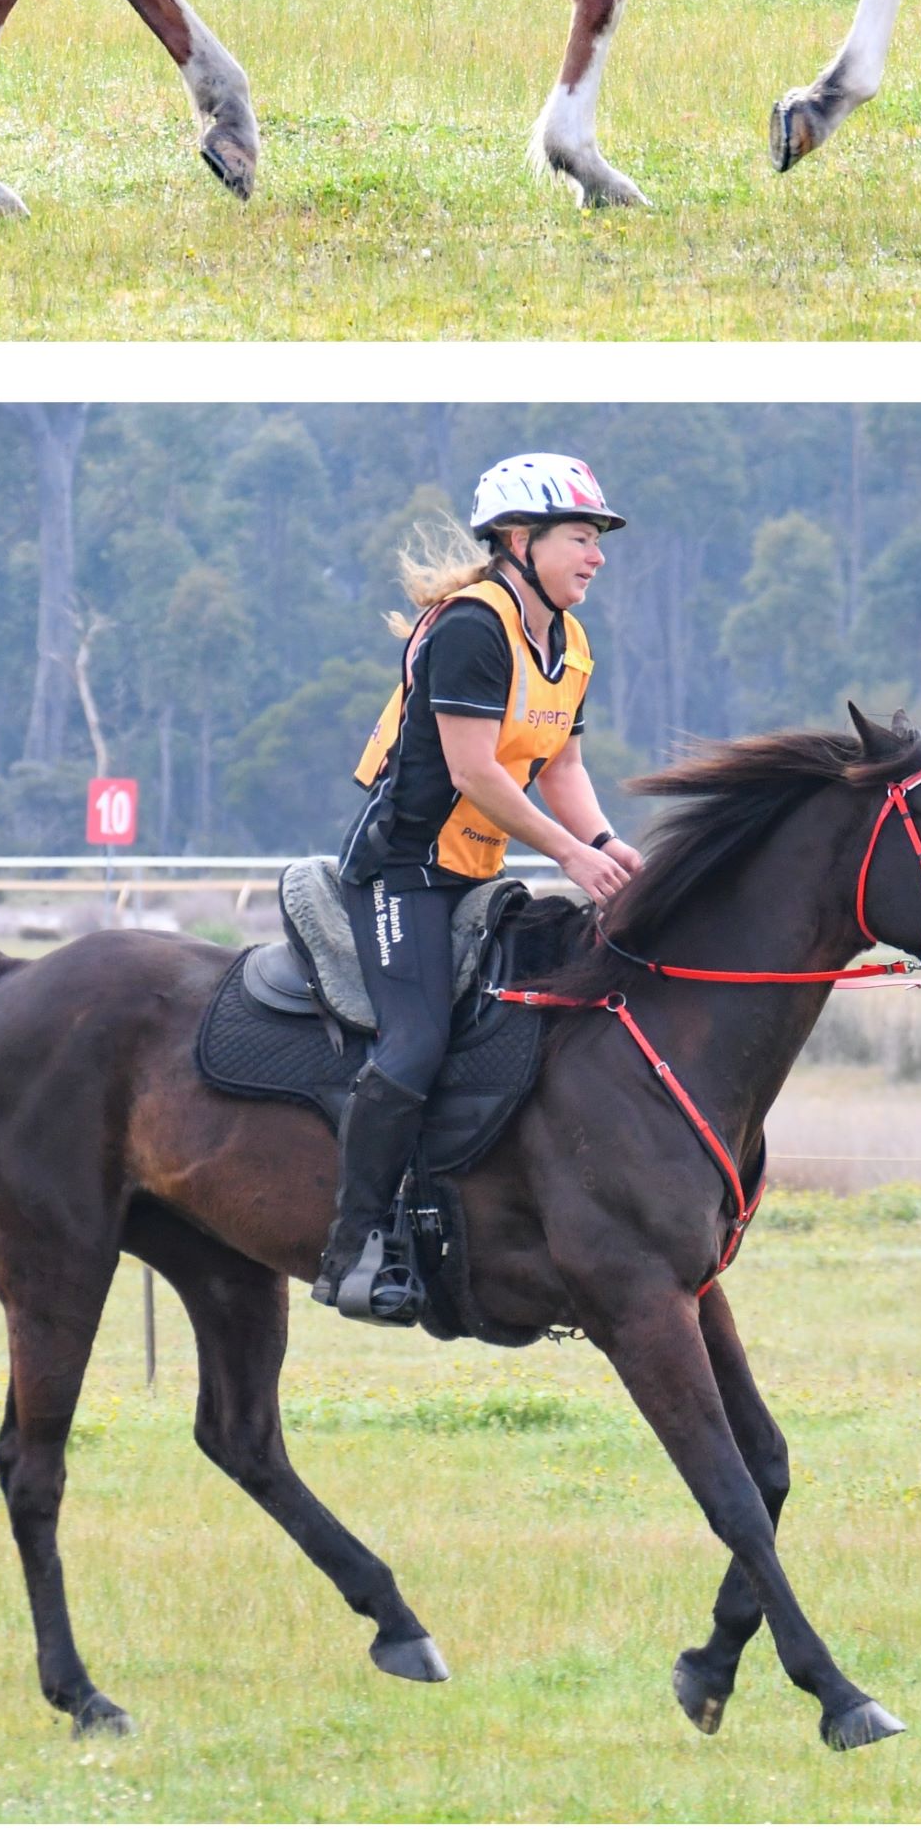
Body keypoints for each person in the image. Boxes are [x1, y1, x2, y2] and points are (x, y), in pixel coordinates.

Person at [315, 451, 644, 1321]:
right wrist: (575, 861)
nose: (597, 556)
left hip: (475, 876)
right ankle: (353, 1248)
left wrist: (611, 843)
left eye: (597, 539)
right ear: (518, 539)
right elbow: (476, 774)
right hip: (401, 872)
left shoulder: (568, 640)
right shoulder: (470, 626)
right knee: (416, 1045)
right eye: (582, 536)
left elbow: (560, 765)